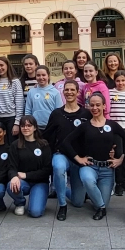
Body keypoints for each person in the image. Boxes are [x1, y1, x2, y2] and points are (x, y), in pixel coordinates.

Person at [62, 93, 125, 220]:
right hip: (90, 166)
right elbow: (66, 142)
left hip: (107, 170)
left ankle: (94, 199)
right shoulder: (85, 125)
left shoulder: (112, 125)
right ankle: (101, 208)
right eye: (92, 105)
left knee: (98, 203)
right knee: (89, 183)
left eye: (98, 105)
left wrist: (121, 159)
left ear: (104, 106)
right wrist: (78, 158)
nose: (95, 108)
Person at [42, 80, 91, 220]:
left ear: (77, 92)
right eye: (66, 90)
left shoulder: (86, 114)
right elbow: (47, 135)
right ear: (63, 92)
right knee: (58, 167)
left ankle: (62, 189)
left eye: (72, 90)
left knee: (78, 202)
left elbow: (91, 135)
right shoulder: (56, 113)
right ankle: (62, 205)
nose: (69, 92)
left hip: (79, 157)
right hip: (61, 154)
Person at [7, 116, 53, 218]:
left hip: (40, 182)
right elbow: (11, 166)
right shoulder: (15, 145)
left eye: (29, 125)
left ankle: (37, 198)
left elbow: (47, 170)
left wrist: (26, 175)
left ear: (35, 127)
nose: (25, 128)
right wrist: (14, 176)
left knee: (35, 213)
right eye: (23, 126)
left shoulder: (44, 145)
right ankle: (20, 203)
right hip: (23, 182)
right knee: (11, 185)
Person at [0, 57, 24, 144]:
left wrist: (17, 123)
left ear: (7, 65)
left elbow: (19, 103)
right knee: (0, 145)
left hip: (11, 118)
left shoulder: (15, 81)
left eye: (1, 65)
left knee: (12, 145)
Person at [25, 65, 62, 130]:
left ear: (48, 76)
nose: (41, 77)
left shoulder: (55, 92)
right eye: (38, 75)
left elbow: (59, 111)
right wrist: (28, 123)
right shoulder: (31, 92)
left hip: (51, 127)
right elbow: (28, 110)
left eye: (43, 75)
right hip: (35, 127)